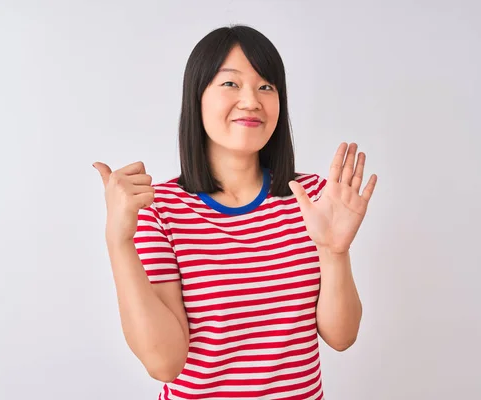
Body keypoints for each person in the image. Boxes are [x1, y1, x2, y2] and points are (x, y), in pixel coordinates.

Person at [93, 24, 377, 400]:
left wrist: (335, 252)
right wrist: (119, 240)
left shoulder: (312, 198)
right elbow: (165, 364)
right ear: (197, 97)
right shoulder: (159, 208)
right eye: (230, 84)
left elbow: (342, 337)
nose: (251, 100)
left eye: (266, 86)